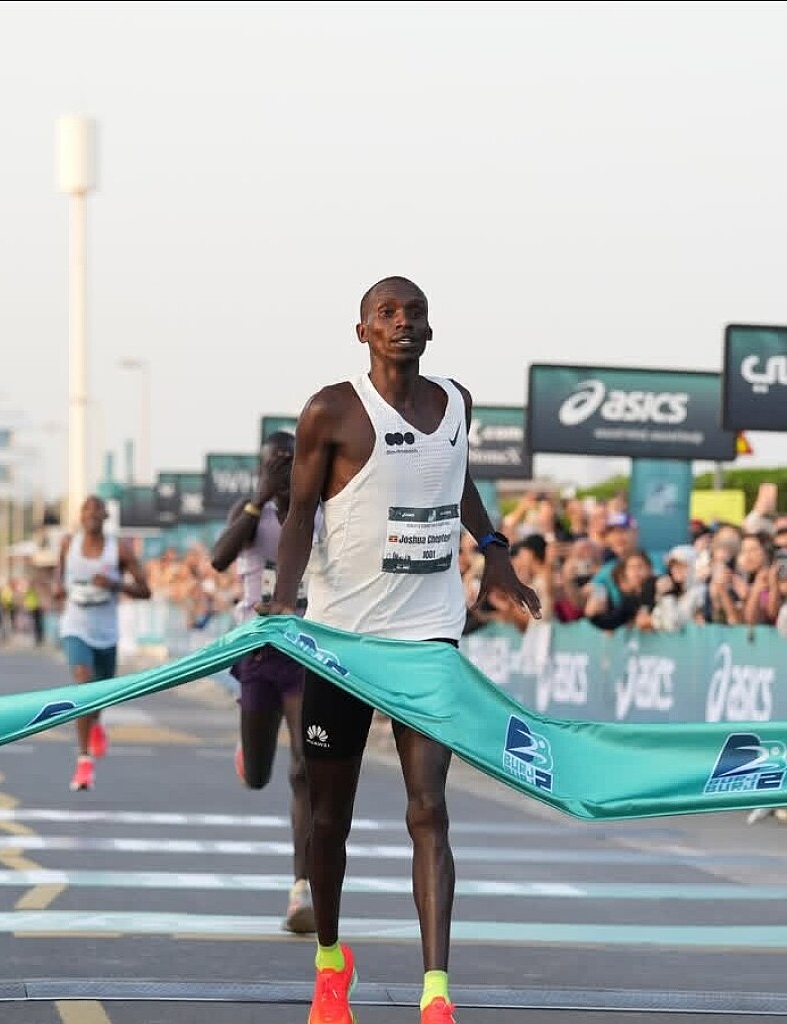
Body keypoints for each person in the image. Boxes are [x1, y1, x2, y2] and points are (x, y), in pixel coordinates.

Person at [258, 276, 541, 1024]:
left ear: (430, 329)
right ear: (363, 331)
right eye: (387, 313)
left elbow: (457, 479)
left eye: (414, 312)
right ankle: (330, 965)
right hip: (343, 642)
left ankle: (435, 992)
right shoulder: (332, 409)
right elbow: (301, 514)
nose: (402, 322)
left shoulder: (457, 403)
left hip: (428, 637)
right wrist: (284, 601)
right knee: (329, 819)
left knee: (429, 810)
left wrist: (494, 548)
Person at [210, 430, 316, 936]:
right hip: (257, 651)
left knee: (304, 768)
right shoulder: (251, 513)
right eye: (274, 464)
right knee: (258, 776)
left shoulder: (319, 514)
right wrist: (258, 499)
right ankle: (247, 751)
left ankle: (301, 887)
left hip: (306, 649)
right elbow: (218, 559)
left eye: (289, 464)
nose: (282, 472)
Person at [54, 495, 151, 792]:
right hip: (75, 626)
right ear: (81, 516)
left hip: (107, 632)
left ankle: (96, 722)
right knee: (84, 686)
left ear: (106, 516)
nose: (93, 514)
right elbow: (60, 577)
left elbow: (146, 590)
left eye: (98, 510)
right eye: (87, 509)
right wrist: (58, 590)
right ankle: (84, 761)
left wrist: (115, 584)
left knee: (100, 694)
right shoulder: (68, 544)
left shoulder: (118, 550)